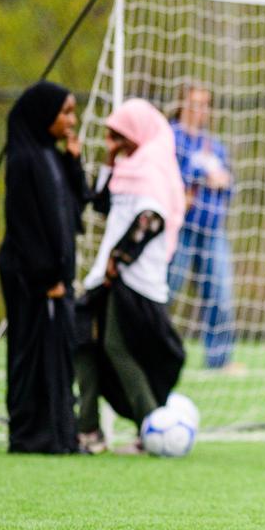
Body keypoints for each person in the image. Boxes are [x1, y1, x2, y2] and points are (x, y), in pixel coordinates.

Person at [75, 99, 187, 454]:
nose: (115, 145)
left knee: (117, 347)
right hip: (109, 279)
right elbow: (103, 203)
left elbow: (152, 219)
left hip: (136, 282)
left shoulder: (153, 165)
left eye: (119, 137)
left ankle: (151, 425)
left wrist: (118, 259)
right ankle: (88, 428)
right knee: (85, 344)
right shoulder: (128, 167)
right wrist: (110, 161)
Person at [0, 81, 84, 454]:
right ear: (43, 115)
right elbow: (24, 224)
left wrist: (74, 160)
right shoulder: (24, 160)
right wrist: (46, 276)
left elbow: (77, 206)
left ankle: (61, 433)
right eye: (65, 112)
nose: (71, 120)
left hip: (56, 278)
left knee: (60, 353)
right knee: (31, 353)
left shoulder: (52, 156)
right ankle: (32, 434)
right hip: (32, 278)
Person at [167, 82, 236, 371]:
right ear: (182, 104)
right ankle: (148, 349)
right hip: (180, 229)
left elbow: (228, 184)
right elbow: (167, 175)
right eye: (196, 103)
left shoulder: (213, 145)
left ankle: (219, 361)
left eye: (206, 104)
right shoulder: (170, 138)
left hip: (212, 231)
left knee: (220, 296)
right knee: (165, 291)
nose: (201, 110)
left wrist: (223, 181)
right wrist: (199, 174)